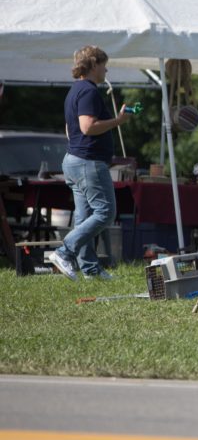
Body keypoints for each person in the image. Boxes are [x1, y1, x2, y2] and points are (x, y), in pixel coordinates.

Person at [50, 46, 134, 281]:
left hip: (75, 160)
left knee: (84, 216)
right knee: (106, 212)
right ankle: (64, 252)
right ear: (94, 64)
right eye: (104, 64)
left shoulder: (74, 91)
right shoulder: (89, 91)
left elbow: (71, 129)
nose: (106, 69)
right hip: (88, 163)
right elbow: (87, 127)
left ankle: (90, 269)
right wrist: (117, 121)